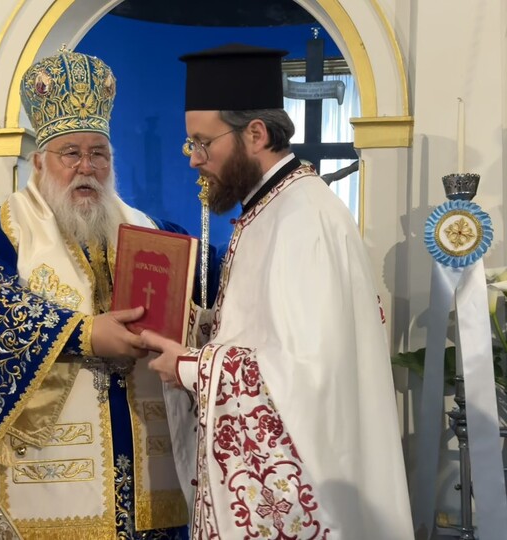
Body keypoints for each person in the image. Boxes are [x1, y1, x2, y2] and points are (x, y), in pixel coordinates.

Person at [140, 43, 414, 539]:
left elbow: (308, 373)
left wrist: (190, 367)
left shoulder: (302, 218)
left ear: (256, 134)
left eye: (202, 143)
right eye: (190, 145)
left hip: (316, 490)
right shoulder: (271, 208)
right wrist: (193, 328)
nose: (194, 160)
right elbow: (266, 334)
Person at [0, 48, 190, 539]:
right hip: (42, 475)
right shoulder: (2, 231)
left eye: (99, 154)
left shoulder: (150, 231)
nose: (86, 167)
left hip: (144, 475)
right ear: (39, 162)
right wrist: (84, 334)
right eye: (71, 153)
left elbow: (207, 278)